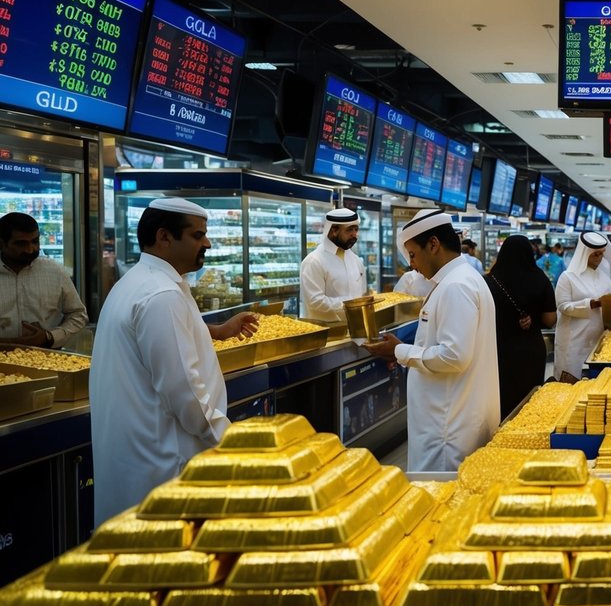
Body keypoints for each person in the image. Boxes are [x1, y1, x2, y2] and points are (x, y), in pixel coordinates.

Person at [90, 198, 259, 525]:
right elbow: (184, 392)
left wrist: (217, 332)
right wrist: (233, 443)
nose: (207, 243)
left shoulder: (143, 283)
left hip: (143, 458)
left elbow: (166, 340)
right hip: (166, 463)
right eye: (198, 236)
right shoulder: (161, 295)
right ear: (164, 237)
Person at [363, 210, 499, 471]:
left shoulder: (455, 286)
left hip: (447, 431)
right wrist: (401, 352)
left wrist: (401, 351)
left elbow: (454, 355)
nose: (412, 265)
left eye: (413, 255)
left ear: (434, 244)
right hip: (452, 421)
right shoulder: (462, 280)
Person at [484, 234, 557, 420]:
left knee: (502, 401)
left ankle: (499, 442)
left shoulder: (488, 281)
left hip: (497, 352)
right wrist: (534, 321)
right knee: (529, 402)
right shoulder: (540, 278)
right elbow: (550, 319)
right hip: (531, 350)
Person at [0, 212, 88, 347]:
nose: (30, 249)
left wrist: (49, 337)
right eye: (21, 244)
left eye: (35, 241)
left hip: (46, 359)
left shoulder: (54, 271)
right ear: (2, 243)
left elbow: (78, 315)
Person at [553, 232, 611, 382]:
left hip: (597, 341)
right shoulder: (567, 277)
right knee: (570, 386)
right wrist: (589, 304)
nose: (599, 258)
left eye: (601, 254)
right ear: (584, 254)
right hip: (573, 344)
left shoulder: (604, 278)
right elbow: (563, 306)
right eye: (595, 255)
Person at [300, 208, 368, 323]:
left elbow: (362, 294)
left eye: (356, 229)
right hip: (328, 336)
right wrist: (351, 303)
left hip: (357, 330)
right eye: (349, 230)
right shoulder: (314, 261)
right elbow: (315, 301)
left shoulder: (355, 260)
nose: (354, 235)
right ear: (334, 231)